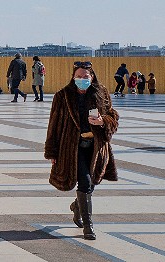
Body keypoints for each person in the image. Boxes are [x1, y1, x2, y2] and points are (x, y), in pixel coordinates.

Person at [44, 60, 119, 240]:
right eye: (78, 77)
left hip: (95, 147)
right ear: (73, 77)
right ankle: (88, 226)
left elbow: (113, 116)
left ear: (92, 77)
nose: (82, 79)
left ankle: (77, 206)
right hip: (72, 146)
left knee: (92, 182)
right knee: (84, 182)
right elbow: (53, 125)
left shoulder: (101, 93)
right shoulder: (62, 96)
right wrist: (52, 152)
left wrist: (103, 122)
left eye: (85, 77)